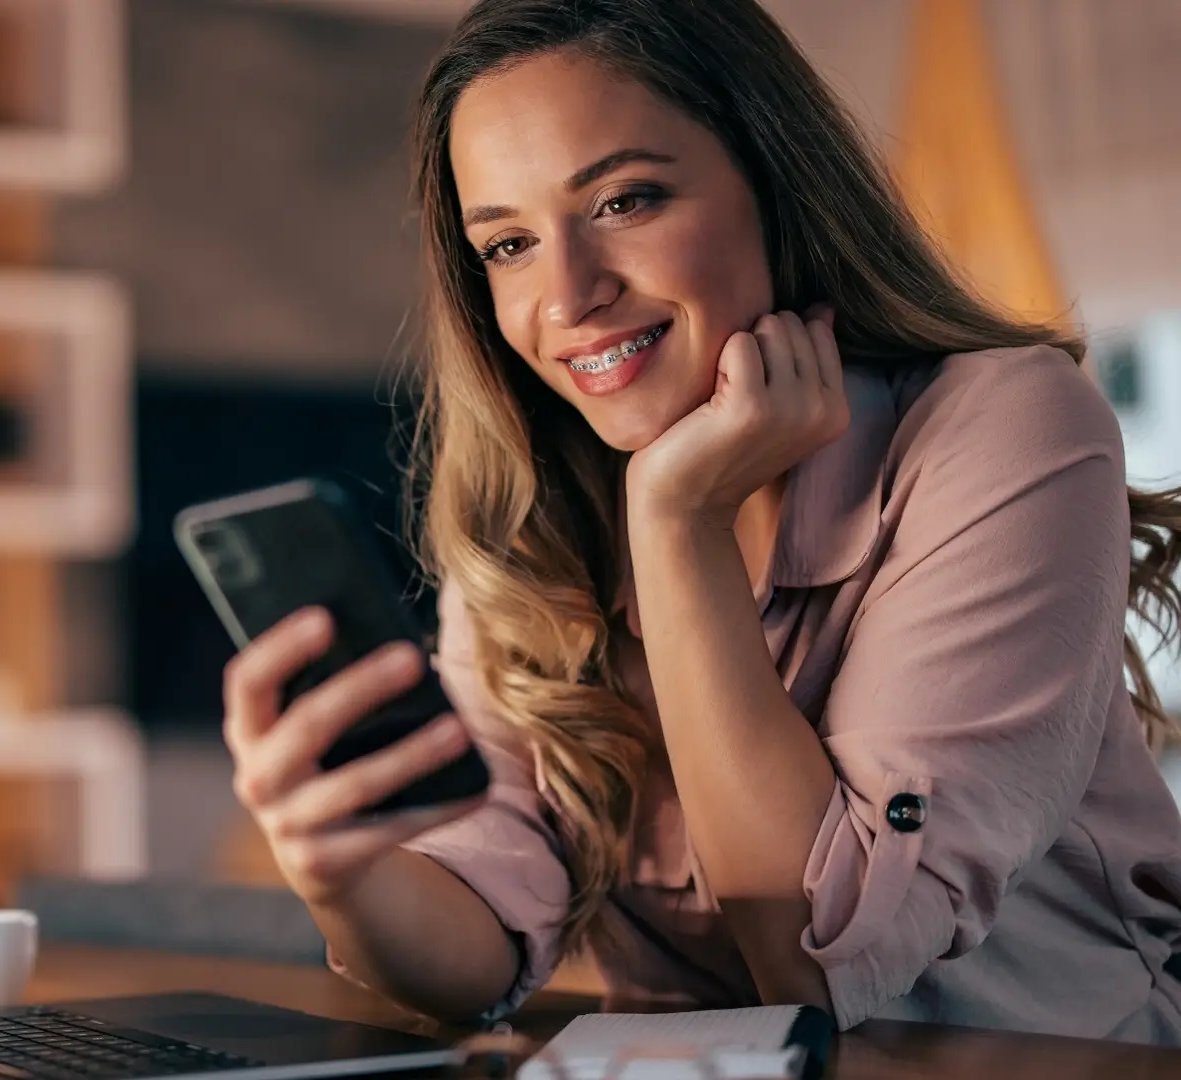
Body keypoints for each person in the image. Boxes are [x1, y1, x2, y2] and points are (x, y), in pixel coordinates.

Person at [219, 0, 1181, 1044]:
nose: (568, 296)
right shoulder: (537, 515)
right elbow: (478, 934)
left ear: (777, 185)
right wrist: (343, 872)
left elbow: (813, 958)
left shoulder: (1004, 424)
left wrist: (678, 523)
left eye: (627, 200)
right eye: (507, 244)